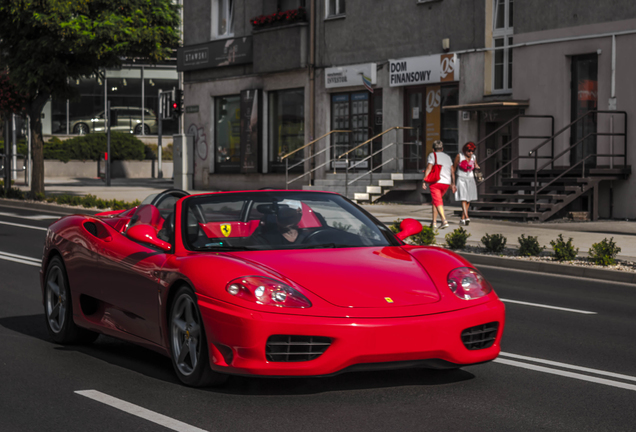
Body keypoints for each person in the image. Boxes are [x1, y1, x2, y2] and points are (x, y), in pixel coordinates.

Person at [422, 140, 456, 229]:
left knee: (438, 202)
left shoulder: (432, 155)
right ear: (442, 148)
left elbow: (429, 167)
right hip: (446, 183)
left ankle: (444, 220)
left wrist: (425, 180)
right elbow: (452, 171)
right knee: (435, 201)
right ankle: (434, 222)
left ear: (433, 149)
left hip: (436, 182)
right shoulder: (448, 157)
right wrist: (453, 183)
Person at [453, 141, 480, 225]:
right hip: (461, 178)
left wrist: (477, 167)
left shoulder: (473, 157)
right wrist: (452, 182)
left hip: (470, 178)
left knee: (469, 199)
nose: (470, 153)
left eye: (472, 151)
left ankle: (462, 218)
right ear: (465, 150)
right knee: (463, 198)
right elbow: (453, 168)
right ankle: (467, 216)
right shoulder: (459, 156)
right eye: (469, 151)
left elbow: (476, 165)